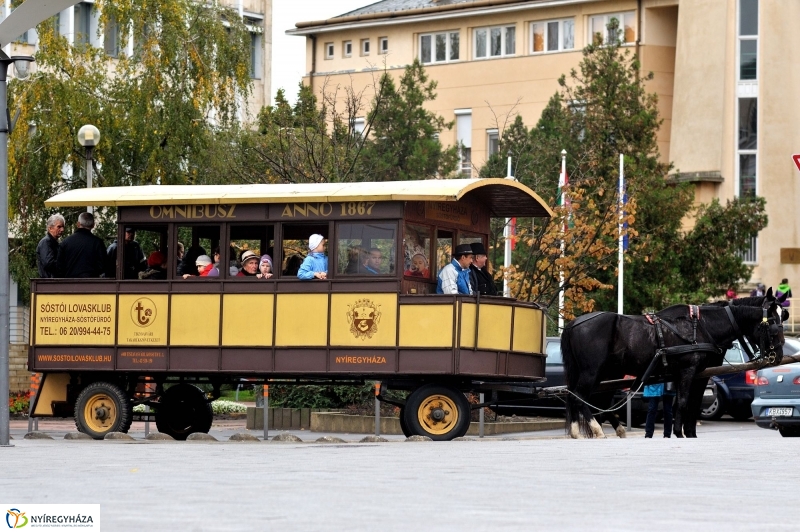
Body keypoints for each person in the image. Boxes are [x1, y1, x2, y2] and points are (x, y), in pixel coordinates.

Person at [57, 212, 106, 278]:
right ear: (93, 225)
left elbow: (59, 267)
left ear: (78, 224)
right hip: (92, 283)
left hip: (69, 284)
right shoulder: (98, 243)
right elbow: (103, 265)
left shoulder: (65, 242)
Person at [36, 214, 65, 278]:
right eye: (59, 227)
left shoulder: (54, 242)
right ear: (50, 228)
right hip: (49, 283)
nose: (62, 229)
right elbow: (49, 264)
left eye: (63, 227)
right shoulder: (46, 242)